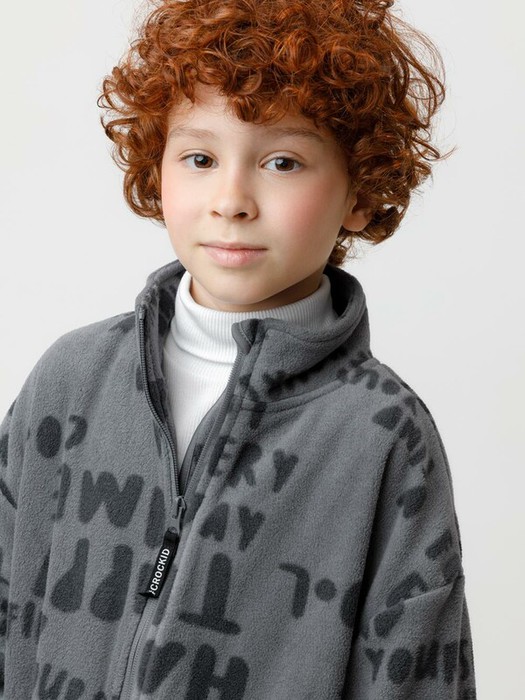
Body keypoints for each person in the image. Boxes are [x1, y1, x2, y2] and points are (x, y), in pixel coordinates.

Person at [0, 0, 476, 697]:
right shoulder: (71, 380)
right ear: (157, 168)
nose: (231, 200)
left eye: (282, 161)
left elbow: (419, 674)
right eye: (199, 157)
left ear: (358, 191)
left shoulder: (380, 433)